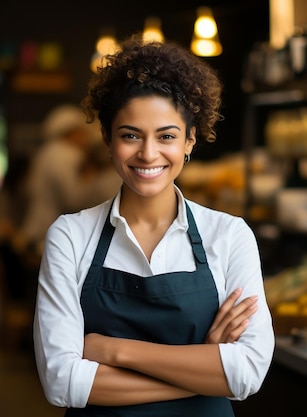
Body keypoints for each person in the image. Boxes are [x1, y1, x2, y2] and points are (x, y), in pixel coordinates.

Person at [33, 34, 274, 416]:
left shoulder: (229, 235)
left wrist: (114, 351)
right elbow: (61, 381)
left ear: (190, 141)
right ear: (108, 141)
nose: (148, 153)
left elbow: (247, 373)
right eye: (131, 136)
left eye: (167, 136)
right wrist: (204, 369)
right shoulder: (70, 236)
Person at [16, 103, 121, 264]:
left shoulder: (45, 153)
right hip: (49, 234)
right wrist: (94, 175)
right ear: (72, 132)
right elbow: (73, 199)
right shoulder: (65, 154)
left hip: (37, 231)